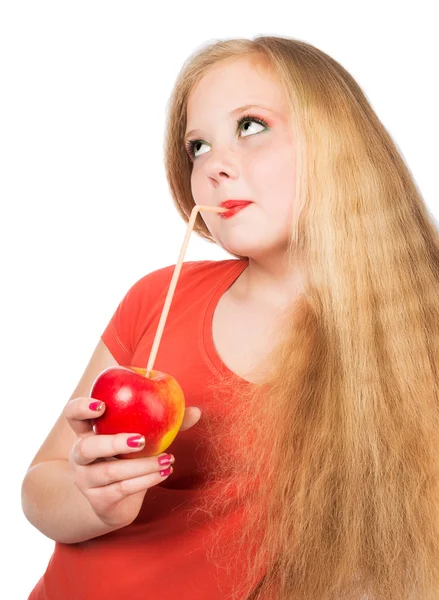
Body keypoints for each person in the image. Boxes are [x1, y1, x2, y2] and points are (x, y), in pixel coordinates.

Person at [21, 35, 439, 600]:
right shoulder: (157, 297)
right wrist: (94, 500)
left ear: (339, 143)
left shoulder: (413, 339)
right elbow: (39, 488)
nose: (215, 165)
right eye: (198, 146)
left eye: (250, 126)